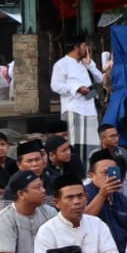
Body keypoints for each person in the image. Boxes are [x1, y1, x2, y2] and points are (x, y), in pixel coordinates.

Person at [35, 176, 124, 253]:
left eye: (80, 196)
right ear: (57, 203)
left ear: (86, 198)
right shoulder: (47, 231)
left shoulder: (97, 224)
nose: (77, 201)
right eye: (70, 198)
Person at [50, 33, 105, 161]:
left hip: (90, 109)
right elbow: (55, 86)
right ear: (77, 47)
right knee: (76, 145)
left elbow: (100, 78)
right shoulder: (61, 64)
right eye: (85, 45)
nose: (87, 48)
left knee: (92, 145)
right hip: (74, 109)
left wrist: (90, 64)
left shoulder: (84, 63)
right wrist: (77, 89)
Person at [82, 150, 127, 253]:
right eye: (105, 173)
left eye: (113, 172)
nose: (110, 177)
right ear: (92, 176)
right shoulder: (84, 194)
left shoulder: (121, 198)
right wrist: (102, 195)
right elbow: (82, 220)